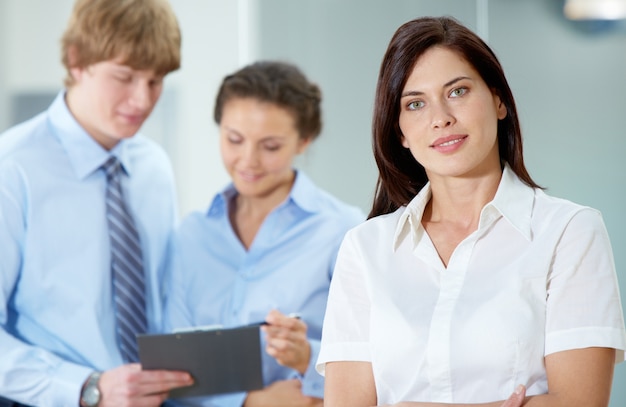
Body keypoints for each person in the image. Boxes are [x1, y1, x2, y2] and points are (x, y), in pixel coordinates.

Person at [316, 16, 626, 407]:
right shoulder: (365, 249)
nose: (440, 117)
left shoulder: (569, 231)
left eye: (458, 91)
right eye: (415, 104)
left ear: (498, 100)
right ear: (400, 132)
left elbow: (580, 404)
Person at [0, 1, 194, 406]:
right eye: (124, 77)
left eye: (155, 81)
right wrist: (88, 388)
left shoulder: (154, 168)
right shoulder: (13, 169)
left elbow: (162, 303)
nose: (142, 100)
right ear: (77, 62)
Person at [164, 61, 364, 406]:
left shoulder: (343, 231)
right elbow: (173, 370)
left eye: (270, 146)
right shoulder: (191, 235)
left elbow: (374, 362)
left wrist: (306, 357)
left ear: (304, 140)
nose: (248, 160)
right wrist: (249, 401)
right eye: (234, 139)